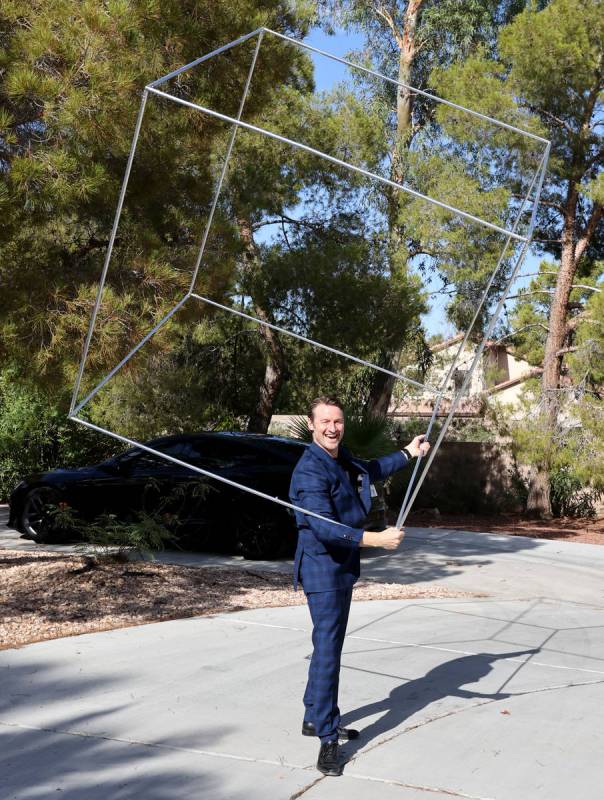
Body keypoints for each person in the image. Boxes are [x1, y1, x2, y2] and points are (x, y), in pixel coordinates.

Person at [289, 395, 430, 776]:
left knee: (326, 643)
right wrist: (375, 540)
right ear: (312, 423)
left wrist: (407, 453)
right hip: (323, 568)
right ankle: (327, 739)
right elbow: (324, 527)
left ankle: (312, 715)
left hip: (342, 565)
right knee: (329, 649)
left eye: (338, 421)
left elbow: (369, 469)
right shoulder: (309, 472)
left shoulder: (340, 457)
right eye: (326, 422)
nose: (333, 428)